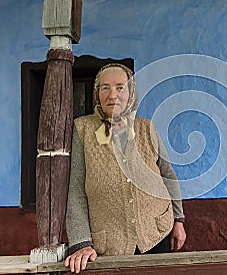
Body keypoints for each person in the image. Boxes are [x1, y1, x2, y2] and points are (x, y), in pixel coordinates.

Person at [64, 63, 186, 273]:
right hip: (109, 242)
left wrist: (178, 220)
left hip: (156, 232)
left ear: (131, 94)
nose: (113, 95)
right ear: (96, 93)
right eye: (105, 88)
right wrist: (81, 242)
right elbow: (75, 190)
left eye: (120, 87)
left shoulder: (146, 127)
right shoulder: (82, 129)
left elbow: (167, 175)